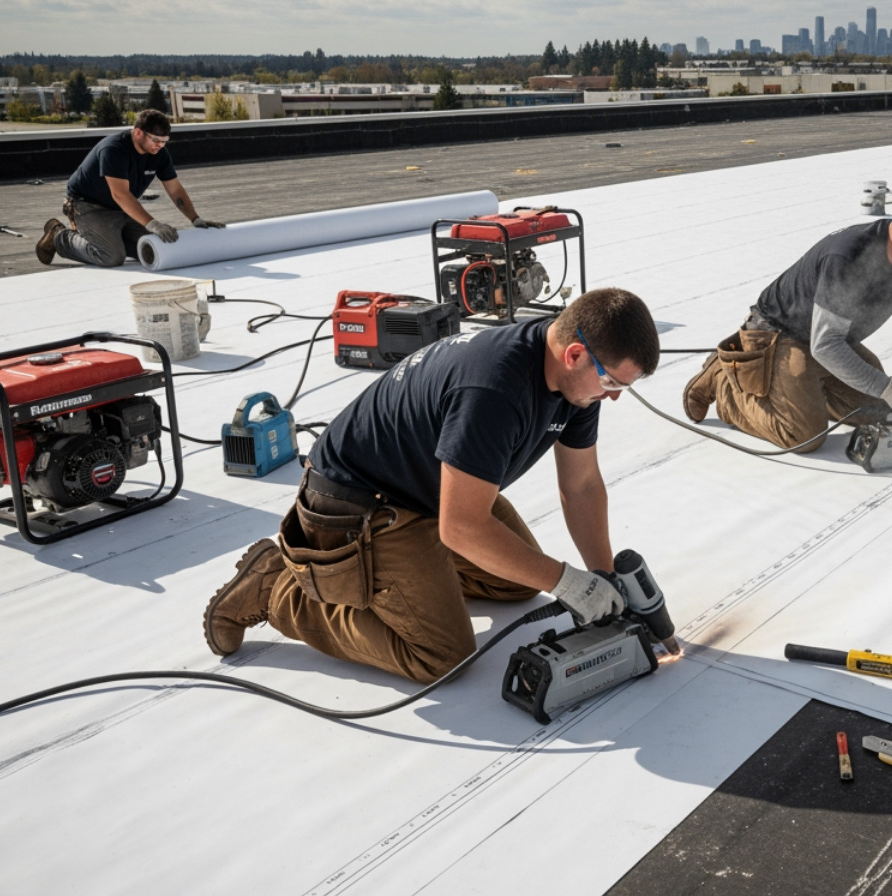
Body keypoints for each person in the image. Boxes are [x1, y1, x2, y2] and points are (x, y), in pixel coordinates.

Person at [202, 287, 662, 684]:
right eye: (610, 381)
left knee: (517, 583)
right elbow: (462, 528)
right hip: (357, 505)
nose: (614, 395)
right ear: (575, 354)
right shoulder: (495, 388)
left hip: (429, 491)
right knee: (442, 655)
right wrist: (568, 584)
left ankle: (413, 575)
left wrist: (603, 584)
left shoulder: (575, 379)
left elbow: (581, 485)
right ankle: (277, 591)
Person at [682, 192, 892, 451]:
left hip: (831, 340)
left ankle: (803, 392)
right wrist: (889, 388)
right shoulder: (849, 256)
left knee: (884, 413)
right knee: (804, 435)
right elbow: (825, 346)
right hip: (778, 334)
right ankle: (723, 381)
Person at [35, 108, 225, 267]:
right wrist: (153, 224)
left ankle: (111, 238)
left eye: (165, 141)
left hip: (121, 208)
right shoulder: (114, 149)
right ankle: (59, 236)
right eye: (156, 140)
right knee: (111, 257)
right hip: (87, 206)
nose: (160, 146)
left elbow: (175, 189)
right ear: (138, 132)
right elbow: (120, 194)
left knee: (152, 249)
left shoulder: (159, 153)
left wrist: (195, 219)